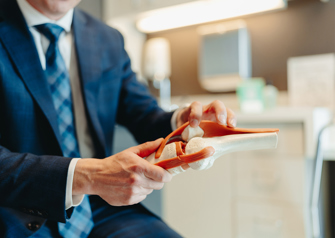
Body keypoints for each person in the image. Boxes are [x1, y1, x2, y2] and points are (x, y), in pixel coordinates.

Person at [0, 0, 237, 237]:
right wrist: (86, 176)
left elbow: (144, 116)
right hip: (14, 207)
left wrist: (185, 122)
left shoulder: (107, 38)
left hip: (99, 204)